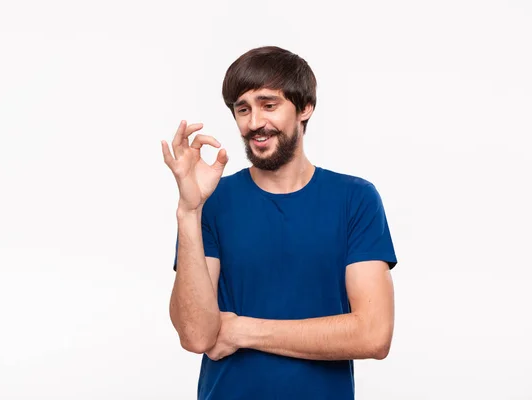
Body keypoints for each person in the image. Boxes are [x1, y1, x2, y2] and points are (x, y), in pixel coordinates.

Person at [161, 46, 398, 400]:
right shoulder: (213, 203)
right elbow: (196, 335)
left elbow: (373, 334)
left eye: (268, 105)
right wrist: (189, 210)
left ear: (305, 107)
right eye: (243, 109)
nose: (254, 122)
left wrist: (241, 331)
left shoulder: (355, 199)